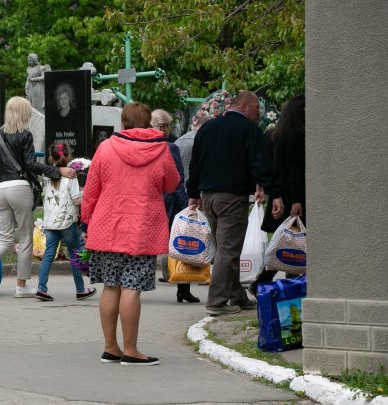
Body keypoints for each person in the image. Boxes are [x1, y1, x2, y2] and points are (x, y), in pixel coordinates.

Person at [82, 102, 180, 366]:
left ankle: (110, 348)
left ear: (123, 123)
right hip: (141, 228)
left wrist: (87, 219)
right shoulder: (160, 149)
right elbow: (172, 183)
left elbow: (91, 189)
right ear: (148, 123)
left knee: (110, 287)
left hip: (107, 227)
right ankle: (131, 350)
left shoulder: (105, 148)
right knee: (132, 288)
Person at [186, 90, 279, 316]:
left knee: (225, 249)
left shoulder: (207, 128)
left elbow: (195, 163)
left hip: (208, 197)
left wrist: (194, 192)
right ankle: (216, 302)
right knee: (228, 249)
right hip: (232, 197)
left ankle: (236, 295)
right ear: (245, 107)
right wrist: (273, 191)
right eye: (257, 108)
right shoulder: (248, 131)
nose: (259, 113)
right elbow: (260, 165)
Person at [0, 96, 76, 297]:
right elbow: (31, 164)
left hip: (0, 189)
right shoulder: (25, 135)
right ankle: (21, 286)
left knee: (5, 238)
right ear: (23, 114)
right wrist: (58, 171)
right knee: (26, 238)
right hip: (19, 188)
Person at [249, 94, 306, 294]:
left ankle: (262, 281)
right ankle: (291, 281)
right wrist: (297, 200)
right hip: (293, 196)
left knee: (283, 242)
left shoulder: (276, 134)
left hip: (279, 194)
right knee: (295, 241)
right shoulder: (297, 137)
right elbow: (295, 172)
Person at [35, 141, 97, 302]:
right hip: (67, 221)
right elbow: (76, 200)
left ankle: (41, 288)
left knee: (49, 254)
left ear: (50, 158)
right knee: (75, 254)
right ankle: (80, 289)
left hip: (50, 221)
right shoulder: (71, 175)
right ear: (68, 156)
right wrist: (86, 192)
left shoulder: (47, 175)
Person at [150, 109, 199, 303]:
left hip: (146, 201)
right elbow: (178, 180)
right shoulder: (170, 148)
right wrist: (184, 207)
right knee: (180, 244)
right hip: (168, 202)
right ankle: (183, 288)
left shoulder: (140, 145)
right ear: (165, 127)